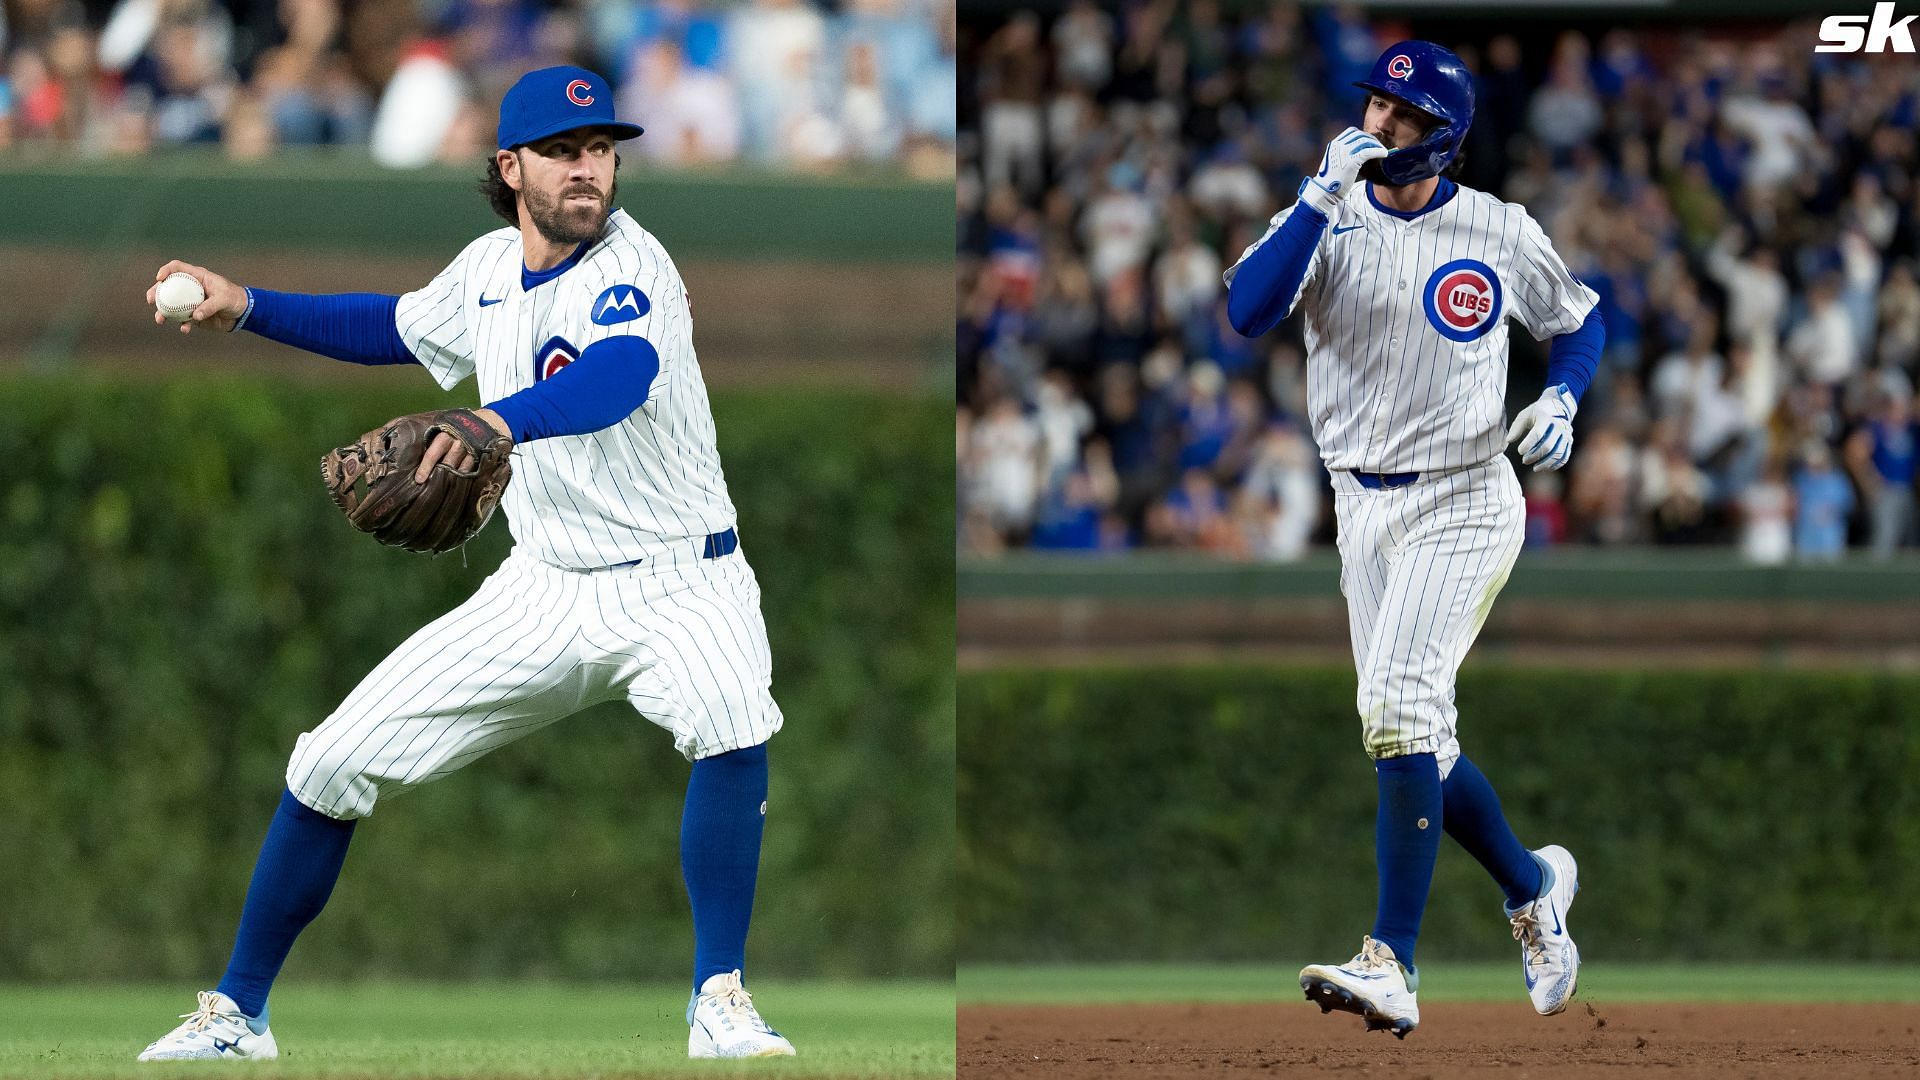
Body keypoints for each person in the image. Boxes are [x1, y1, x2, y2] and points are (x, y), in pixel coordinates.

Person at [134, 66, 795, 1061]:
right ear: (510, 165)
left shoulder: (633, 266)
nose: (590, 170)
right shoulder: (488, 269)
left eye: (603, 150)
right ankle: (238, 1017)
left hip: (681, 579)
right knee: (330, 762)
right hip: (545, 586)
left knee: (729, 712)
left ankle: (720, 997)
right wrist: (245, 305)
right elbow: (391, 327)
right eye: (566, 152)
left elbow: (620, 378)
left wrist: (495, 417)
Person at [1224, 41, 1604, 1037]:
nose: (1379, 125)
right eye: (1374, 105)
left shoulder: (1496, 229)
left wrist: (1563, 395)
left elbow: (1579, 321)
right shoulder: (1327, 209)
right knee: (1414, 737)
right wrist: (1315, 198)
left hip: (1468, 495)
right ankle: (1533, 892)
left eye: (1402, 116)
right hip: (1362, 505)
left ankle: (1391, 961)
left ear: (1444, 139)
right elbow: (1246, 312)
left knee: (1396, 706)